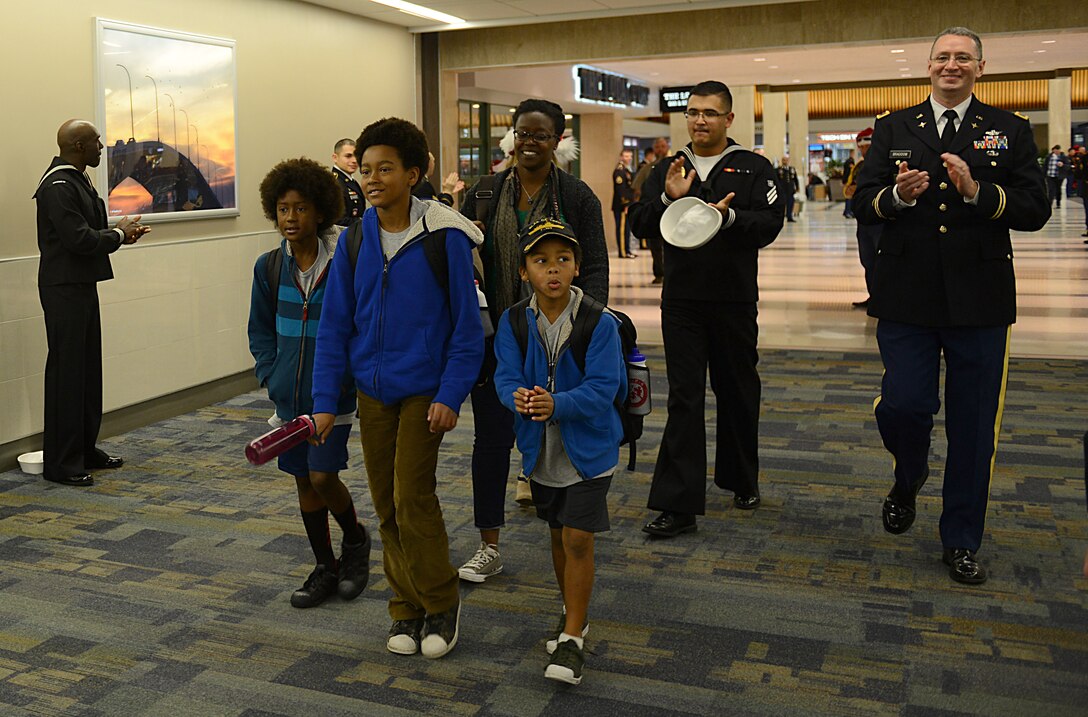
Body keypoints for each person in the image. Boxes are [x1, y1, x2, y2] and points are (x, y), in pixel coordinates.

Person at [854, 26, 1050, 584]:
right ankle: (908, 473)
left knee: (973, 429)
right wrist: (896, 196)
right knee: (904, 405)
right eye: (943, 57)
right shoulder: (894, 126)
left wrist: (978, 194)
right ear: (928, 66)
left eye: (963, 58)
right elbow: (865, 203)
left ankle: (961, 539)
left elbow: (1035, 208)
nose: (952, 65)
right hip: (906, 296)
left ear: (980, 69)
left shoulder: (1009, 130)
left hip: (980, 301)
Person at [311, 118, 484, 658]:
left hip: (424, 391)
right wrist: (322, 403)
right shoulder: (356, 239)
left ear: (414, 172)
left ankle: (440, 602)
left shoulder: (445, 237)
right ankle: (405, 608)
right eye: (365, 170)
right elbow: (336, 324)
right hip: (372, 391)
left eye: (385, 168)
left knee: (413, 497)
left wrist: (451, 393)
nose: (372, 179)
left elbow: (467, 326)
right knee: (385, 503)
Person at [458, 98, 609, 582]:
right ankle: (488, 544)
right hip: (496, 337)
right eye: (522, 132)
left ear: (557, 140)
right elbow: (460, 263)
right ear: (512, 136)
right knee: (490, 440)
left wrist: (587, 325)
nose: (529, 142)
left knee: (555, 431)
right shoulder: (485, 192)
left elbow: (597, 266)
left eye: (541, 134)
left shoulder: (577, 196)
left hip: (559, 338)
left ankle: (568, 527)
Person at [629, 81, 784, 538]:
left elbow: (771, 223)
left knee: (737, 390)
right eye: (694, 112)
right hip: (682, 303)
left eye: (711, 113)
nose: (700, 120)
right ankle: (678, 505)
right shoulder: (669, 168)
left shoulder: (754, 168)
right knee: (684, 398)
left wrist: (729, 218)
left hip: (735, 299)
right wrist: (668, 199)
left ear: (729, 119)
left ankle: (741, 478)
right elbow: (641, 222)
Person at [493, 217, 625, 685]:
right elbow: (504, 376)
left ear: (576, 267)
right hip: (540, 451)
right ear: (524, 270)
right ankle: (575, 614)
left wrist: (556, 403)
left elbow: (605, 388)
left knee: (577, 538)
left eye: (562, 260)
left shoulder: (597, 322)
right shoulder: (514, 321)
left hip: (589, 450)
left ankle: (572, 639)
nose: (552, 270)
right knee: (555, 534)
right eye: (540, 260)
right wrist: (517, 397)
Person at [248, 157, 371, 609]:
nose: (291, 219)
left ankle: (356, 541)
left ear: (320, 211)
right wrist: (270, 372)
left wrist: (349, 379)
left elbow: (358, 327)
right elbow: (259, 329)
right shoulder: (268, 268)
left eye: (300, 209)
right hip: (288, 399)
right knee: (303, 480)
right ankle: (325, 565)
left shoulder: (343, 265)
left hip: (333, 397)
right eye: (283, 209)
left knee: (323, 475)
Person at [34, 120, 150, 487]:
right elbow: (78, 239)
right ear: (79, 145)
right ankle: (62, 463)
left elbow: (89, 227)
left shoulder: (77, 180)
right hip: (63, 288)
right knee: (67, 375)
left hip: (80, 285)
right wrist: (118, 233)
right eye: (97, 142)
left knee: (86, 372)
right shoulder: (56, 185)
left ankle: (84, 449)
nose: (103, 146)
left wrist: (120, 232)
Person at [844, 128, 881, 308]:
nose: (864, 151)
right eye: (862, 148)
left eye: (866, 147)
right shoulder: (859, 166)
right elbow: (849, 187)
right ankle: (873, 296)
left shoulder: (884, 165)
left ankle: (885, 298)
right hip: (863, 220)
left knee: (882, 260)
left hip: (880, 219)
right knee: (867, 259)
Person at [331, 138, 363, 225]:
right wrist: (365, 222)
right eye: (348, 156)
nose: (354, 161)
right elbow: (337, 220)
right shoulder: (334, 183)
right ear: (335, 158)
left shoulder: (350, 181)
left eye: (356, 156)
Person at [612, 149, 637, 258]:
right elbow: (621, 190)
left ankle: (627, 250)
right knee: (622, 229)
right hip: (621, 206)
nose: (629, 158)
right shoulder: (620, 171)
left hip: (627, 205)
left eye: (630, 156)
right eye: (626, 156)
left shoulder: (627, 170)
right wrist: (626, 204)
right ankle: (622, 252)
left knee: (626, 229)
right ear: (621, 157)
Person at [776, 156, 799, 222]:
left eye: (786, 160)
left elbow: (795, 179)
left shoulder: (792, 169)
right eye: (783, 160)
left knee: (790, 203)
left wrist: (797, 187)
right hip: (782, 189)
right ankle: (781, 217)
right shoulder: (778, 169)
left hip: (790, 190)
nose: (785, 161)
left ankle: (789, 217)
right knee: (782, 204)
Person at [1045, 144, 1067, 210]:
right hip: (1050, 176)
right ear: (1053, 150)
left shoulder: (1063, 157)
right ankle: (1049, 204)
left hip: (1059, 176)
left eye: (1058, 150)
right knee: (1051, 190)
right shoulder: (1049, 157)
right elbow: (1045, 166)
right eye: (1056, 150)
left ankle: (1058, 203)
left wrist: (1063, 165)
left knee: (1058, 190)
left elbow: (1068, 166)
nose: (1057, 151)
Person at [842, 150, 856, 217]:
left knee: (847, 196)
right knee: (849, 197)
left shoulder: (846, 161)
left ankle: (846, 211)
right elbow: (851, 172)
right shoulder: (850, 162)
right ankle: (848, 212)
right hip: (849, 181)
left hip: (846, 180)